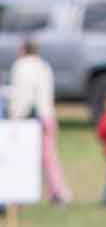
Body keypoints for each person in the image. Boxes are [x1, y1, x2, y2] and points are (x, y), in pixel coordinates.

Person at [6, 41, 70, 206]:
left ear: (23, 50)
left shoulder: (21, 66)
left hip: (30, 117)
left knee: (21, 157)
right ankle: (57, 192)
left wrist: (15, 116)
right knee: (49, 157)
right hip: (47, 114)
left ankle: (20, 194)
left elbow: (22, 94)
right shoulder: (44, 66)